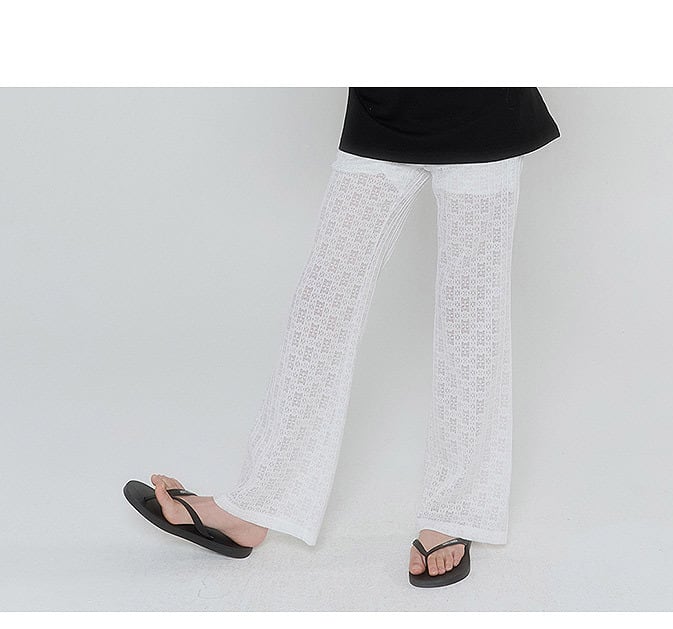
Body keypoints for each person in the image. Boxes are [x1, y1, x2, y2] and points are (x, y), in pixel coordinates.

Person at [124, 87, 561, 588]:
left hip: (483, 106)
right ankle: (257, 503)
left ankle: (456, 511)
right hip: (387, 105)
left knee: (472, 317)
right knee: (323, 303)